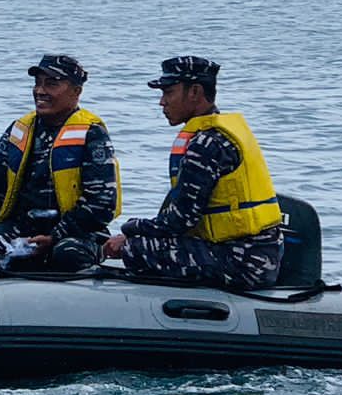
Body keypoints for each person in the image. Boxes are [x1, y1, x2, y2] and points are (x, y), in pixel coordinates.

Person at [102, 55, 282, 290]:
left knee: (135, 250)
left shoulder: (206, 144)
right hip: (253, 252)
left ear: (195, 92)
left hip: (243, 262)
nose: (162, 102)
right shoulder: (220, 133)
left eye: (169, 93)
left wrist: (129, 230)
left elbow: (180, 219)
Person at [0, 54, 121, 270]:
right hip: (24, 227)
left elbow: (102, 203)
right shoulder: (20, 130)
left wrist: (55, 236)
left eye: (51, 84)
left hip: (76, 232)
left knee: (68, 254)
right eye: (37, 84)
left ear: (76, 91)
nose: (40, 91)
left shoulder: (91, 134)